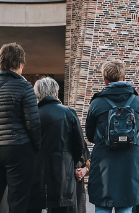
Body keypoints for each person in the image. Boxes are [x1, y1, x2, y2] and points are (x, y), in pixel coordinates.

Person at [0, 43, 42, 213]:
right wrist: (37, 147)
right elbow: (33, 123)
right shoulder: (25, 86)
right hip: (19, 149)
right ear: (20, 63)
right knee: (18, 201)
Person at [85, 61, 139, 213]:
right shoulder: (137, 101)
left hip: (104, 164)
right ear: (124, 78)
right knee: (125, 207)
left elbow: (90, 135)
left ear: (105, 80)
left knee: (102, 206)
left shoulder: (97, 102)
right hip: (129, 163)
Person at [27, 77, 89, 213]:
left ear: (37, 94)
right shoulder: (69, 113)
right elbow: (79, 145)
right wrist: (74, 163)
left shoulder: (31, 116)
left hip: (35, 174)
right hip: (63, 173)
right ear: (56, 92)